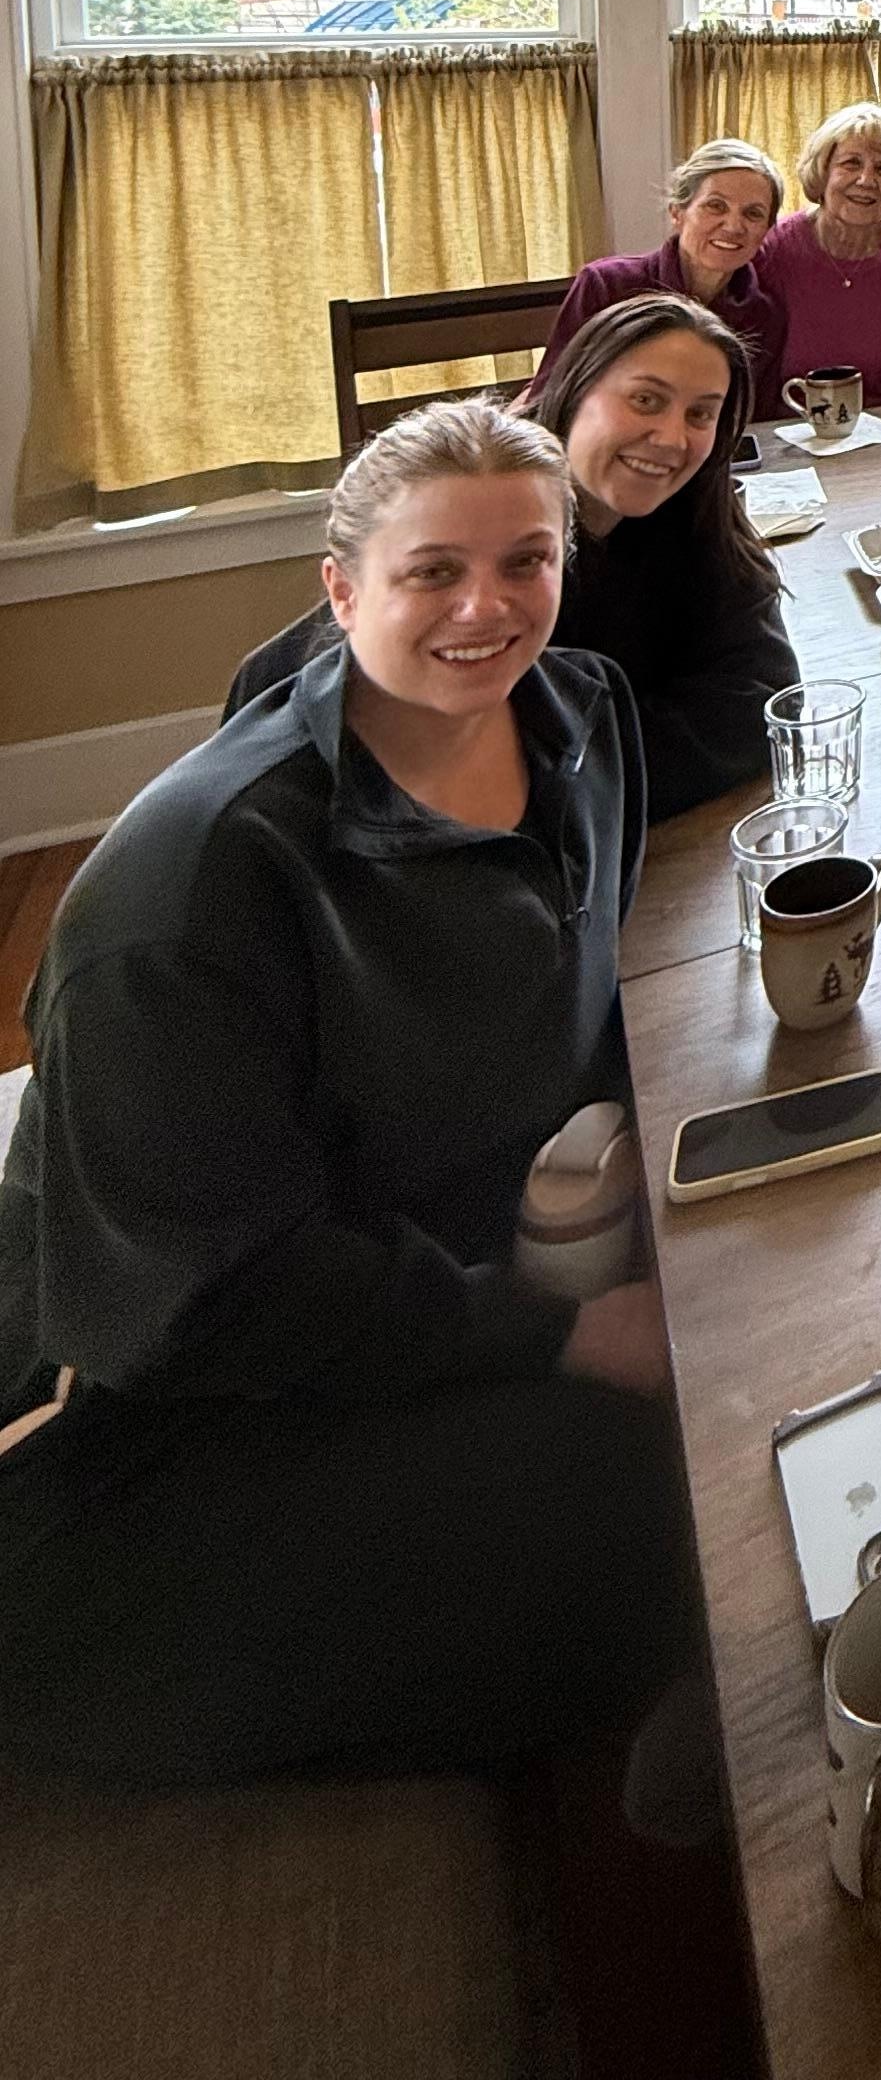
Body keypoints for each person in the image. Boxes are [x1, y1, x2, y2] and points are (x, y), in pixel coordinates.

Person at [0, 401, 697, 1784]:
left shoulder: (583, 719)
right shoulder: (192, 895)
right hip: (168, 1404)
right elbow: (221, 1301)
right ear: (340, 588)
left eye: (526, 561)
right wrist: (564, 1333)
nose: (487, 608)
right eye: (433, 570)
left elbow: (588, 990)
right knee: (653, 1511)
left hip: (430, 1265)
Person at [234, 296, 798, 823]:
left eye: (701, 415)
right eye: (645, 400)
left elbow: (760, 700)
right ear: (576, 390)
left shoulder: (694, 515)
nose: (672, 438)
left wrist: (580, 763)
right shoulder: (491, 507)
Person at [541, 137, 788, 393]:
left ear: (767, 230)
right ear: (677, 212)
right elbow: (551, 395)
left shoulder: (765, 314)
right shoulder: (606, 285)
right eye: (716, 206)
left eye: (753, 213)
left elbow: (756, 411)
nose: (734, 226)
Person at [755, 100, 881, 405]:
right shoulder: (767, 254)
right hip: (780, 431)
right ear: (823, 170)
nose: (866, 180)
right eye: (851, 163)